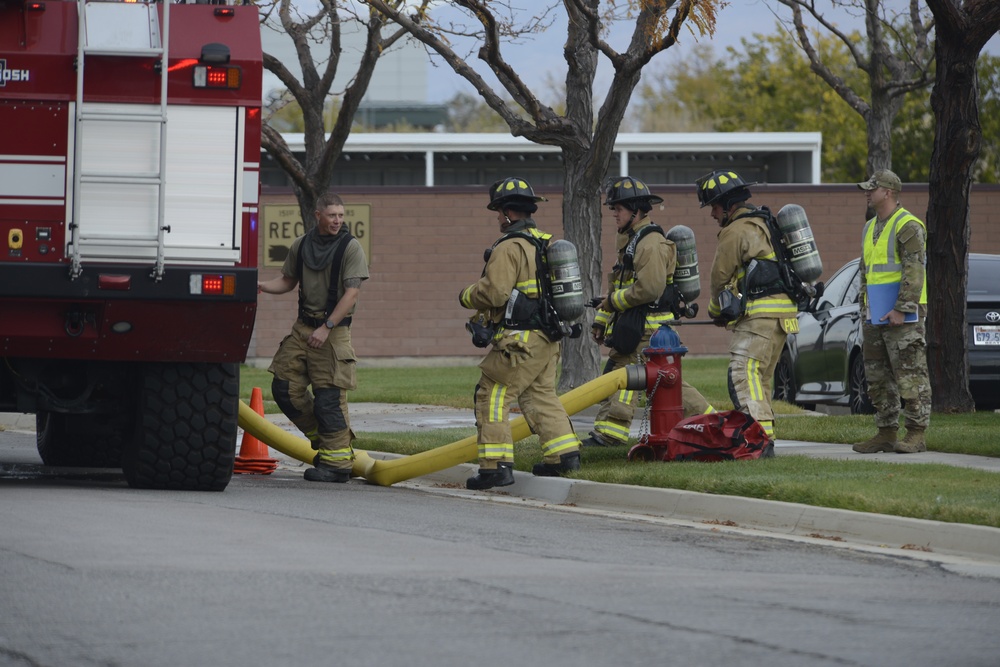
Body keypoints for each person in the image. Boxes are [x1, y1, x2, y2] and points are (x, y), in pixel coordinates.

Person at [459, 177, 583, 490]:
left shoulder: (509, 247)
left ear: (509, 213)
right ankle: (564, 456)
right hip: (546, 340)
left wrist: (468, 295)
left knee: (491, 396)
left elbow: (496, 293)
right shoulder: (543, 243)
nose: (498, 218)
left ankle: (495, 467)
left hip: (519, 341)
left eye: (499, 211)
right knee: (540, 395)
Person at [583, 176, 716, 449]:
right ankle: (710, 421)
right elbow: (619, 285)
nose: (614, 214)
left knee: (626, 374)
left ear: (636, 210)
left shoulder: (650, 243)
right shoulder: (631, 242)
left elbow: (650, 289)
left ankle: (610, 435)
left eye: (618, 209)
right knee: (659, 381)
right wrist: (601, 319)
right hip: (636, 325)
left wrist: (613, 303)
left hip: (651, 331)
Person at [258, 192, 369, 482]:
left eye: (341, 216)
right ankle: (329, 442)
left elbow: (352, 292)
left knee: (328, 398)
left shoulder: (350, 247)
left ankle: (338, 465)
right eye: (332, 215)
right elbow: (287, 281)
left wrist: (327, 327)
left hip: (332, 332)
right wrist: (260, 286)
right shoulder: (302, 244)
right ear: (318, 215)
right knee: (283, 387)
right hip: (302, 328)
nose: (338, 221)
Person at [696, 169, 799, 453]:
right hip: (783, 317)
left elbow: (719, 280)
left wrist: (717, 311)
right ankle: (766, 438)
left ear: (728, 205)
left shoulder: (735, 230)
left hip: (760, 317)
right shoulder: (766, 224)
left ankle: (759, 441)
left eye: (714, 207)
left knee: (742, 373)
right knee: (760, 380)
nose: (712, 214)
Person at [853, 170, 931, 454]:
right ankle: (885, 433)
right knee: (878, 376)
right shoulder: (870, 226)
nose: (867, 192)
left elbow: (914, 270)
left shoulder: (908, 225)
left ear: (887, 192)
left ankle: (916, 434)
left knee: (910, 373)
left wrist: (902, 308)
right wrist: (864, 307)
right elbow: (867, 271)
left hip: (903, 316)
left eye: (871, 189)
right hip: (874, 313)